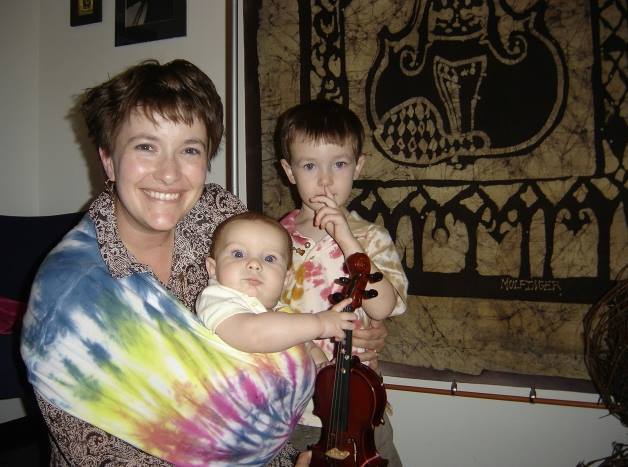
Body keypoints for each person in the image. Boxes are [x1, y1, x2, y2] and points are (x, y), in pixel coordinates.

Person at [20, 59, 312, 466]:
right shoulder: (70, 292)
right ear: (108, 159)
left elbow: (273, 307)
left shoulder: (219, 215)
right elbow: (101, 455)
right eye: (146, 146)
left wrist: (347, 329)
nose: (169, 174)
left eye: (189, 150)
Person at [276, 99, 409, 465]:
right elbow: (260, 310)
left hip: (359, 410)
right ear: (289, 171)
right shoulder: (273, 239)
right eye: (309, 165)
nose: (325, 180)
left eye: (339, 164)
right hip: (297, 408)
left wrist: (348, 240)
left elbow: (382, 306)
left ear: (358, 166)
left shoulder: (371, 237)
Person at [196, 211, 356, 360]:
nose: (254, 264)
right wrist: (319, 324)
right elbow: (255, 334)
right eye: (238, 254)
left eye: (270, 258)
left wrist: (320, 362)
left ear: (286, 279)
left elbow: (301, 342)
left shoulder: (282, 312)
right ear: (213, 269)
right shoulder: (217, 300)